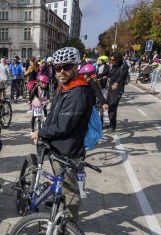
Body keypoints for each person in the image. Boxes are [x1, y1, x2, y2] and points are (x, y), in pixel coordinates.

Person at [32, 47, 93, 224]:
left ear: (75, 67)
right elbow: (53, 116)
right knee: (62, 183)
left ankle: (67, 224)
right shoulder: (65, 87)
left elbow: (64, 126)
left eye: (66, 67)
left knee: (71, 190)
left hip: (70, 149)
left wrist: (40, 132)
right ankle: (60, 205)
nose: (61, 72)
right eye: (57, 68)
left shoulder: (77, 92)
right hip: (59, 146)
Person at [104, 52, 129, 132]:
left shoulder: (124, 66)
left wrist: (116, 83)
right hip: (110, 88)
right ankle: (111, 122)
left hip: (118, 89)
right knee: (108, 106)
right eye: (110, 59)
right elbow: (106, 73)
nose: (111, 61)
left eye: (113, 60)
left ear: (118, 59)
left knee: (113, 106)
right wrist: (95, 76)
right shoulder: (112, 66)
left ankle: (112, 125)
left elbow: (122, 76)